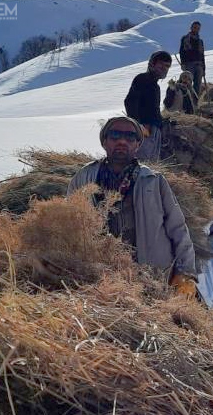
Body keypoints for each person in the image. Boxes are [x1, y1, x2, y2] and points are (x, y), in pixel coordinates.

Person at [67, 116, 198, 298]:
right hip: (101, 282)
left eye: (129, 137)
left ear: (137, 145)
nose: (122, 141)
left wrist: (185, 272)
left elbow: (178, 228)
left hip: (153, 280)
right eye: (115, 135)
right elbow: (69, 225)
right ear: (104, 142)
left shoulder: (153, 180)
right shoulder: (83, 179)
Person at [124, 51, 172, 161]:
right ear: (152, 64)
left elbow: (153, 109)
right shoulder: (142, 79)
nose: (164, 68)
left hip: (153, 131)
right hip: (144, 131)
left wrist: (162, 121)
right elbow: (130, 101)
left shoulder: (156, 86)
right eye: (161, 64)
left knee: (151, 166)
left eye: (167, 66)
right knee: (141, 164)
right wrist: (138, 125)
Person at [179, 21, 205, 94]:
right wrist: (183, 63)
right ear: (191, 28)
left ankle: (195, 102)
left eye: (198, 28)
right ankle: (186, 100)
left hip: (199, 65)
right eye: (195, 27)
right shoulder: (185, 38)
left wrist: (204, 68)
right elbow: (182, 52)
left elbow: (202, 55)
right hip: (189, 64)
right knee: (187, 83)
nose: (196, 29)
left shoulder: (200, 41)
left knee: (198, 85)